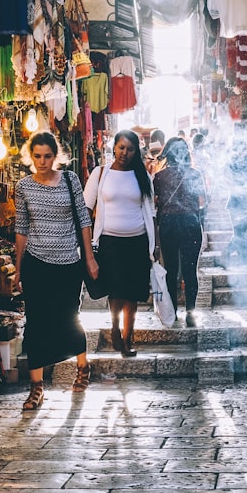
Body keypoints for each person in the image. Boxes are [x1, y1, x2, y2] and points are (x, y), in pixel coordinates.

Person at [14, 132, 98, 410]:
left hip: (67, 264)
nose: (42, 161)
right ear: (30, 156)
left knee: (68, 318)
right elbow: (21, 228)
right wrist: (17, 268)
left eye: (47, 156)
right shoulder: (23, 186)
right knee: (35, 324)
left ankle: (83, 367)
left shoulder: (71, 180)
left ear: (56, 155)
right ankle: (36, 389)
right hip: (36, 264)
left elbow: (84, 219)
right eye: (37, 156)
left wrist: (89, 258)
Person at [84, 130, 157, 357]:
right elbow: (86, 209)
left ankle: (128, 339)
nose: (125, 153)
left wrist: (156, 246)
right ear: (114, 147)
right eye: (121, 147)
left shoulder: (143, 176)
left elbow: (152, 213)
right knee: (115, 292)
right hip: (109, 242)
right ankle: (115, 328)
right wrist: (87, 249)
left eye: (130, 149)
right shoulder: (100, 173)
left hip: (137, 242)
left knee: (133, 294)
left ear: (136, 151)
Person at [153, 137, 207, 327]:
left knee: (171, 270)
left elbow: (156, 202)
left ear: (167, 153)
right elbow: (203, 202)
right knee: (190, 270)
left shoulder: (159, 177)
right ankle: (191, 313)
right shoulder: (195, 174)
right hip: (191, 223)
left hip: (168, 224)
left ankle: (172, 311)